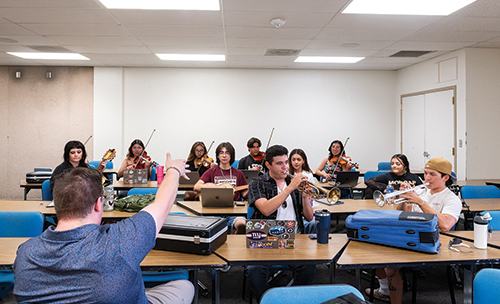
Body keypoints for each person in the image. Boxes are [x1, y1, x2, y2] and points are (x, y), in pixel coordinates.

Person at [14, 153, 194, 304]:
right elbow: (163, 203)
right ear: (99, 204)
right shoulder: (122, 239)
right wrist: (173, 169)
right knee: (185, 286)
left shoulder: (25, 253)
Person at [367, 157, 461, 304]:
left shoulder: (451, 199)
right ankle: (385, 290)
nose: (427, 178)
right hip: (411, 236)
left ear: (446, 177)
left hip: (433, 241)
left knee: (391, 266)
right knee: (374, 251)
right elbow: (401, 214)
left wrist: (420, 202)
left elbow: (446, 225)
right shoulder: (422, 191)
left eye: (432, 174)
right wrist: (405, 200)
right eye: (425, 173)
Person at [246, 145, 316, 302]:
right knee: (254, 270)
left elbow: (310, 217)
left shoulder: (295, 182)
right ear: (268, 165)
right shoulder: (257, 183)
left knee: (309, 267)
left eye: (286, 162)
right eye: (279, 163)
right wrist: (290, 187)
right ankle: (267, 300)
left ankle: (292, 299)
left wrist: (305, 196)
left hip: (295, 239)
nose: (285, 167)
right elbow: (265, 209)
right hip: (265, 239)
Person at [194, 142, 248, 233]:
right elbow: (197, 186)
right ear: (218, 156)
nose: (224, 155)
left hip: (234, 210)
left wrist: (250, 190)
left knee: (242, 224)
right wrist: (216, 188)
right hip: (214, 210)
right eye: (221, 153)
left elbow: (244, 193)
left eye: (227, 153)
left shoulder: (238, 173)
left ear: (231, 155)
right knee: (213, 228)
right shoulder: (212, 171)